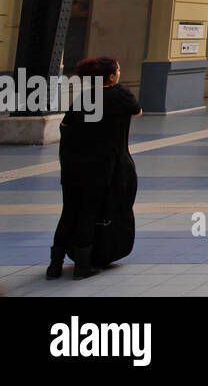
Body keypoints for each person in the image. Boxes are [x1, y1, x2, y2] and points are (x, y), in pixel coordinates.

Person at [49, 56, 141, 280]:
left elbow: (65, 125)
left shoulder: (85, 97)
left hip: (72, 164)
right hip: (100, 164)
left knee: (69, 211)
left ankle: (54, 265)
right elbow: (136, 111)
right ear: (111, 76)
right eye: (118, 70)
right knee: (90, 212)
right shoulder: (120, 94)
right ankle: (82, 265)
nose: (120, 72)